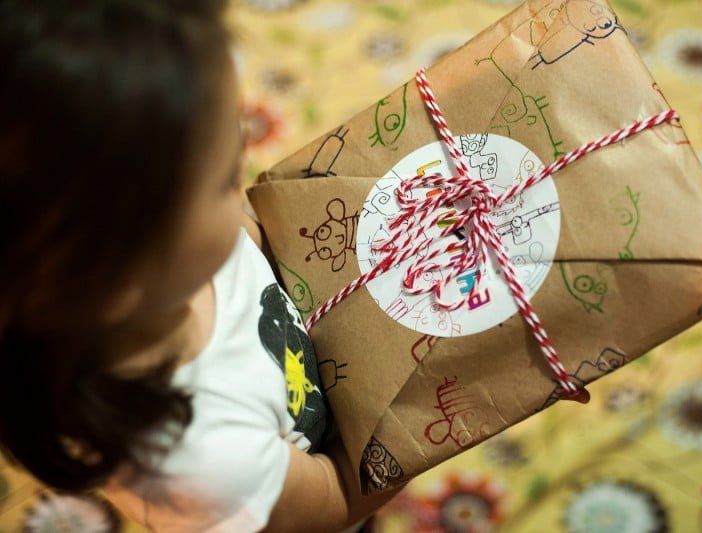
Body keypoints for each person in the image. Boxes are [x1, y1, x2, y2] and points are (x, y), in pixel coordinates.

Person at [0, 0, 401, 530]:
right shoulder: (204, 458)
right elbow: (335, 499)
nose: (246, 185)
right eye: (225, 180)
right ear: (115, 279)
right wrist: (407, 428)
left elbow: (259, 241)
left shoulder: (153, 262)